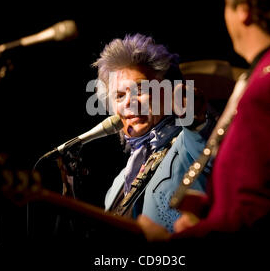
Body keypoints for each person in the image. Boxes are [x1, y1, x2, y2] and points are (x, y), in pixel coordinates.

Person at [137, 0, 270, 242]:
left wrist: (170, 244)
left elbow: (251, 215)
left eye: (226, 5)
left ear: (243, 10)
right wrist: (210, 207)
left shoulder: (269, 87)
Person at [92, 33, 214, 232]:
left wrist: (193, 117)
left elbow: (207, 143)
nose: (128, 102)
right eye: (119, 95)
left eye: (140, 90)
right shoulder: (119, 184)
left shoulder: (189, 143)